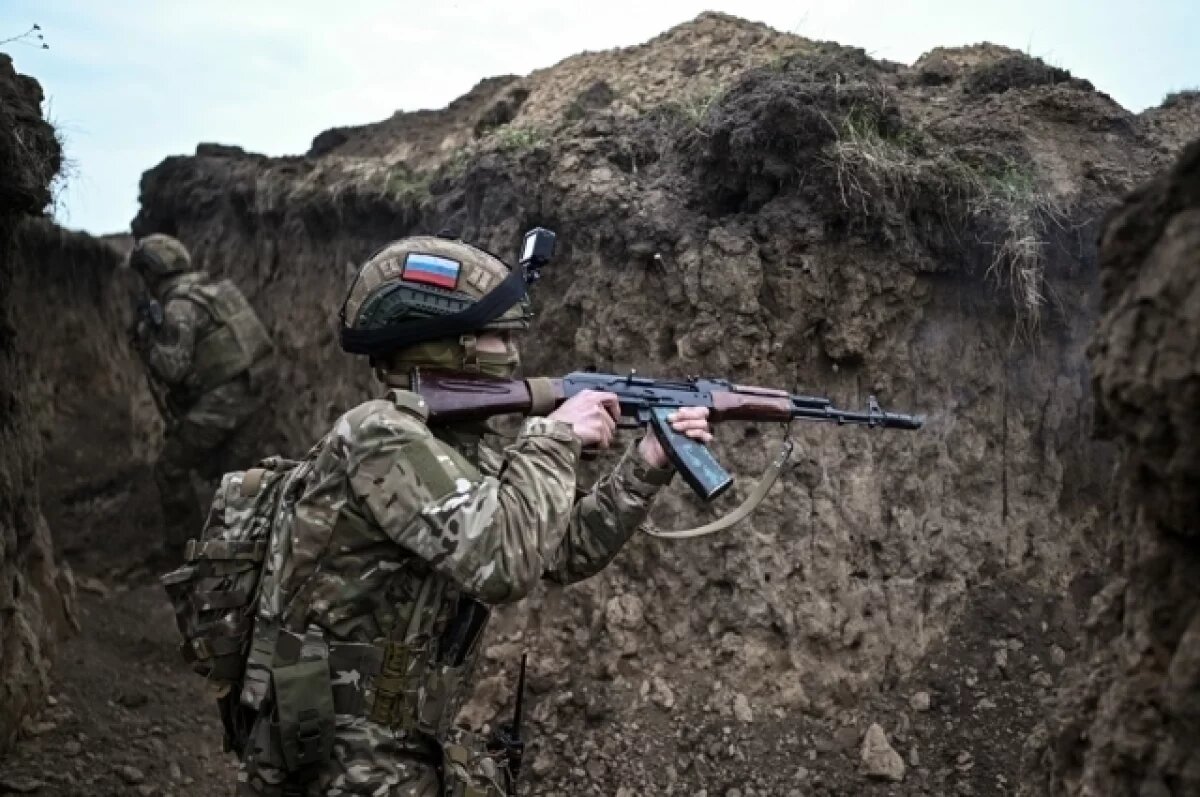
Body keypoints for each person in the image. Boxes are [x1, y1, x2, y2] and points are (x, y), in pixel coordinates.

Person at [235, 234, 712, 796]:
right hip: (342, 749)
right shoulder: (378, 435)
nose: (512, 353)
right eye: (497, 335)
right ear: (445, 346)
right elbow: (502, 563)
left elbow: (556, 552)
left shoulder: (455, 443)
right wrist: (554, 436)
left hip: (401, 739)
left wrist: (648, 462)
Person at [128, 233, 276, 557]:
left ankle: (186, 550)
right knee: (236, 481)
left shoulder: (178, 306)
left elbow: (173, 369)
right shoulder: (215, 289)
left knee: (170, 469)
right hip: (255, 393)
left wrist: (148, 341)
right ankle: (252, 550)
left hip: (225, 401)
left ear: (151, 273)